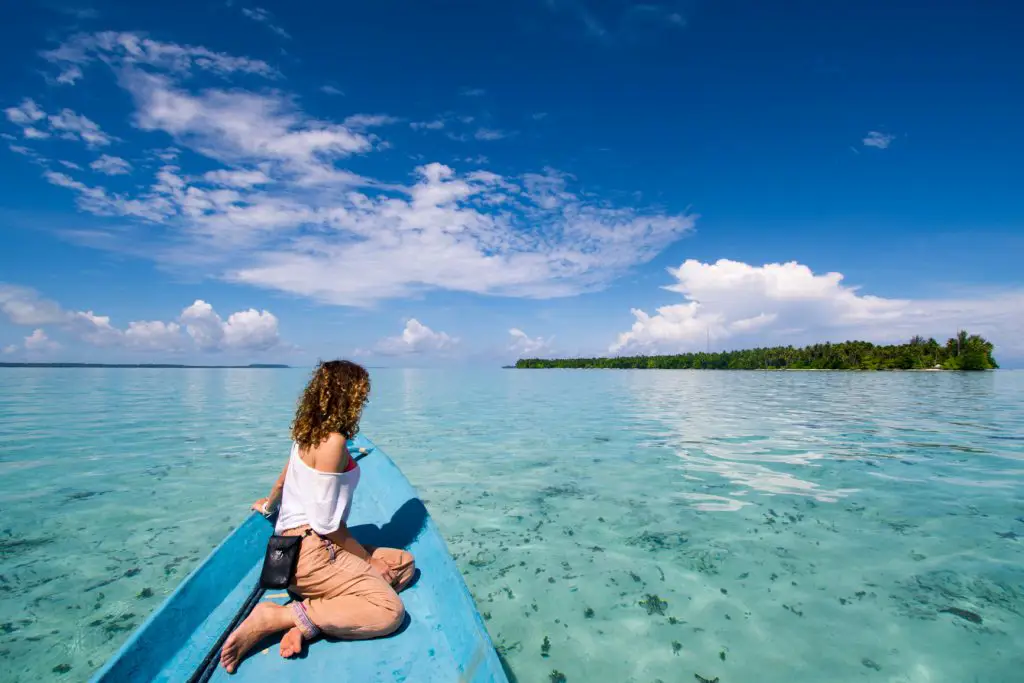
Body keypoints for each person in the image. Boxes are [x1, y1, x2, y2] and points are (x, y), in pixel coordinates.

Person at [220, 360, 416, 674]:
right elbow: (328, 525)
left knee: (404, 563)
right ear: (349, 397)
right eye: (361, 396)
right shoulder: (334, 443)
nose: (363, 403)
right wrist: (367, 560)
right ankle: (278, 617)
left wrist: (268, 507)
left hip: (301, 551)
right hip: (312, 553)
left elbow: (284, 481)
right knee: (389, 611)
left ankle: (308, 623)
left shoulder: (307, 434)